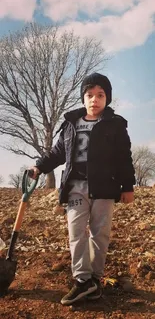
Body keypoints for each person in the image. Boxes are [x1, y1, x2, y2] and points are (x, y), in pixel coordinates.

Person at [29, 73, 135, 306]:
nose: (94, 100)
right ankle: (82, 280)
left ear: (107, 98)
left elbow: (123, 158)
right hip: (76, 188)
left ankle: (95, 281)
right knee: (76, 233)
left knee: (100, 234)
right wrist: (38, 166)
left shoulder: (115, 125)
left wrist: (128, 186)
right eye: (89, 95)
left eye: (100, 95)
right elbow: (57, 153)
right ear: (83, 98)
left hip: (105, 188)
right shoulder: (70, 123)